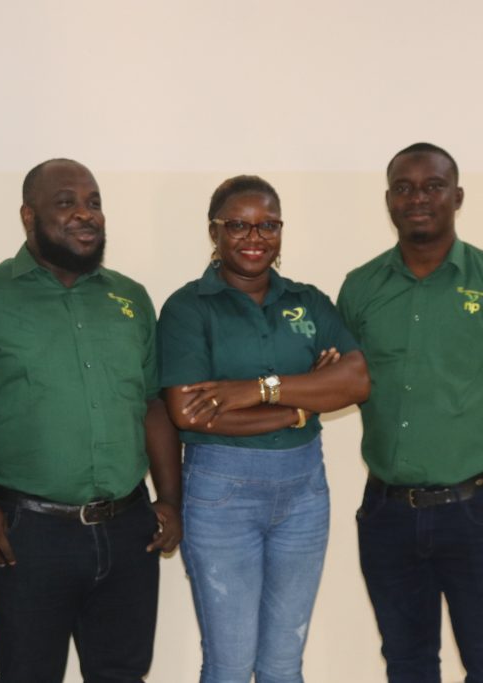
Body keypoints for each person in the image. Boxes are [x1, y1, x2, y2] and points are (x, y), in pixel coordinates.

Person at [337, 142, 483, 682]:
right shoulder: (361, 288)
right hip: (388, 513)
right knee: (406, 661)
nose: (418, 198)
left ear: (457, 197)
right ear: (389, 201)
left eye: (433, 186)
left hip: (479, 509)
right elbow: (344, 378)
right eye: (404, 188)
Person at [0, 158, 182, 683]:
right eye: (66, 203)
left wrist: (171, 500)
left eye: (94, 203)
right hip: (28, 535)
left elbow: (151, 403)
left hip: (128, 529)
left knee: (123, 674)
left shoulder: (130, 298)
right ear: (28, 216)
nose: (86, 214)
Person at [157, 175, 371, 683]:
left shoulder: (308, 300)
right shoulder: (189, 307)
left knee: (283, 663)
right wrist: (301, 405)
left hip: (304, 492)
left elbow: (356, 381)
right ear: (214, 231)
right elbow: (189, 413)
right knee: (230, 664)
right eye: (239, 225)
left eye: (268, 225)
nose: (255, 238)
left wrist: (258, 389)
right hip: (221, 493)